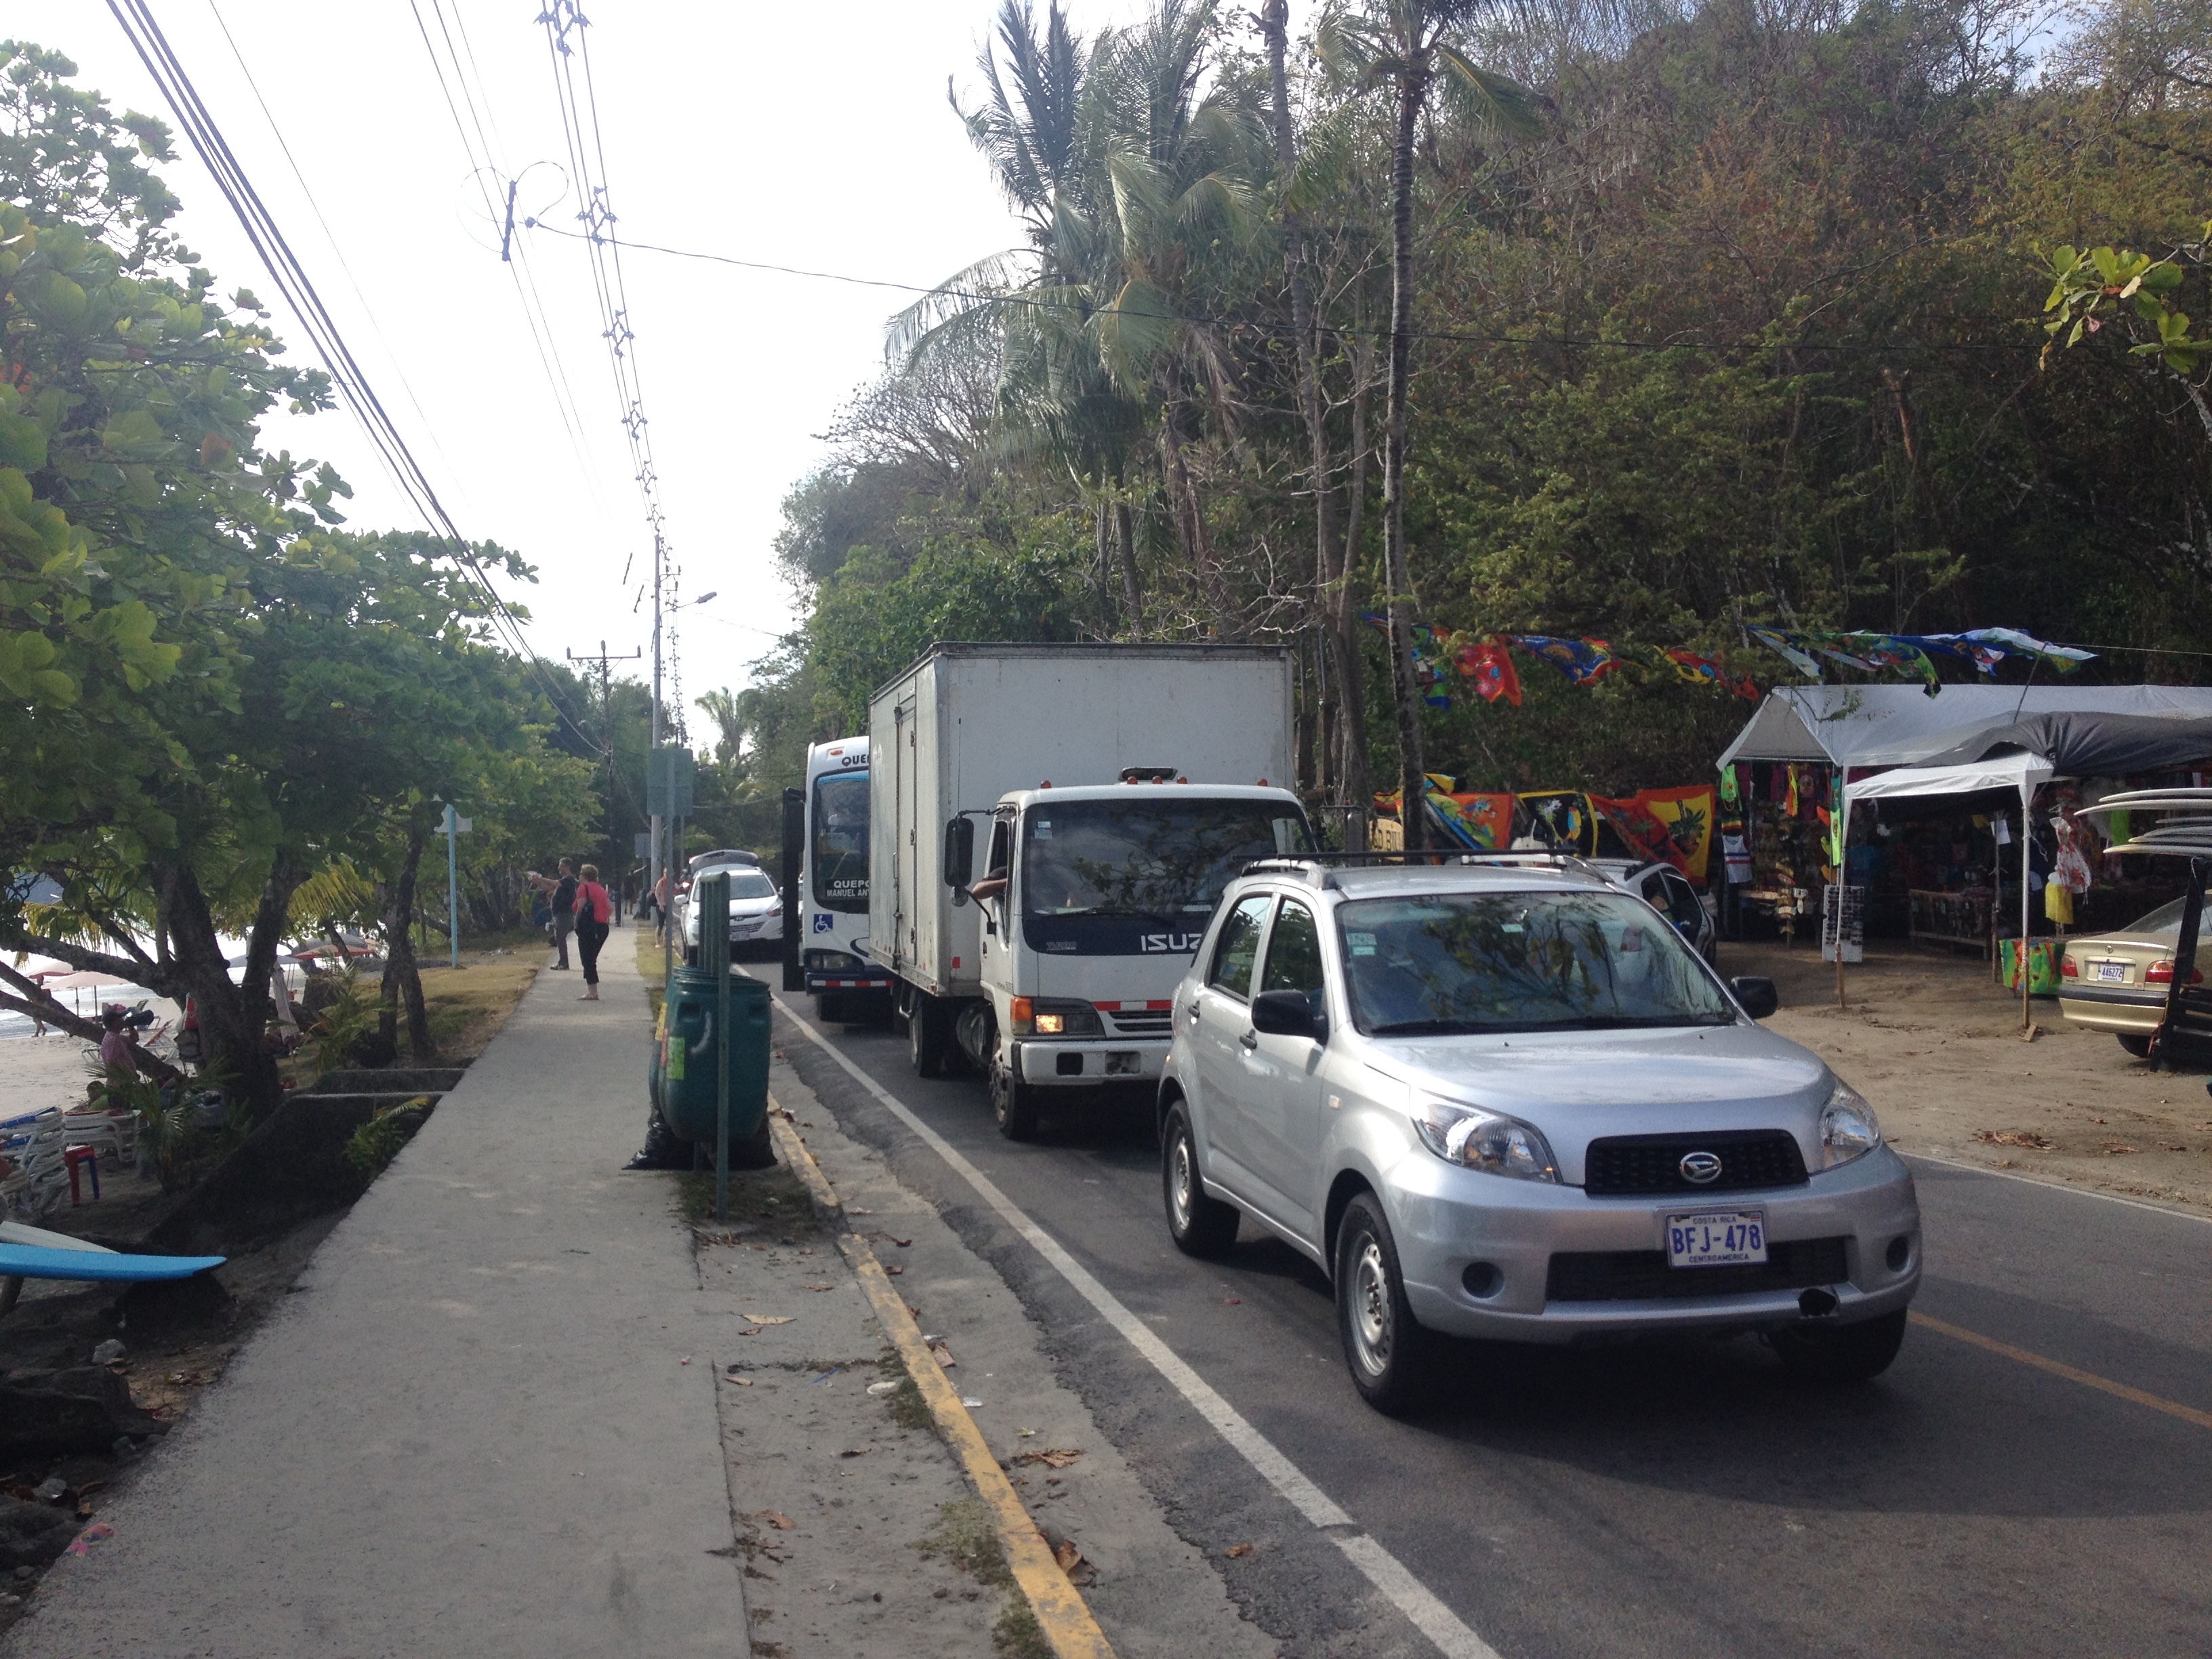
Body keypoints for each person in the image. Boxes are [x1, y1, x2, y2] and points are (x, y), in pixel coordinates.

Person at [529, 859, 579, 970]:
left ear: (567, 867)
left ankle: (564, 963)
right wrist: (538, 882)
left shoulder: (569, 880)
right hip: (558, 913)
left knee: (560, 938)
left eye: (561, 866)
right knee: (558, 938)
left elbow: (555, 883)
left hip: (564, 913)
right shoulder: (563, 882)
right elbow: (550, 887)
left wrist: (540, 877)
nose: (559, 868)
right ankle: (562, 961)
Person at [573, 863, 612, 1001]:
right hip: (602, 928)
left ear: (584, 876)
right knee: (591, 958)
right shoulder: (601, 889)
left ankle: (592, 992)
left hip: (588, 928)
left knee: (587, 959)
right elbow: (610, 908)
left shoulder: (583, 888)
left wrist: (577, 922)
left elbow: (581, 907)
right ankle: (592, 990)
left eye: (580, 875)